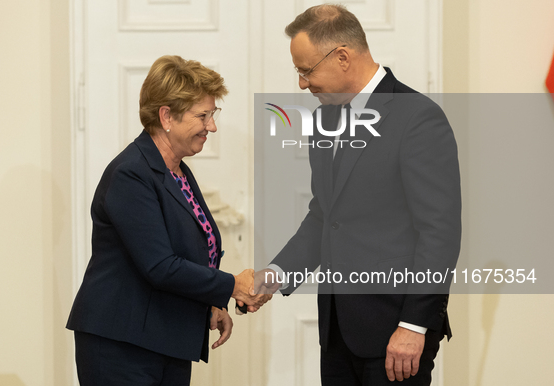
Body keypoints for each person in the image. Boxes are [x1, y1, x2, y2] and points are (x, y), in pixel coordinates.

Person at [254, 4, 461, 386]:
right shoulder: (325, 118)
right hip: (337, 332)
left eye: (306, 70)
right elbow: (325, 215)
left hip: (395, 333)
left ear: (343, 57)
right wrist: (275, 274)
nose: (302, 83)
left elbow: (440, 233)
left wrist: (413, 325)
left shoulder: (417, 117)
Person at [66, 55, 269, 386]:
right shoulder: (131, 173)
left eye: (213, 115)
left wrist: (211, 303)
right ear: (166, 116)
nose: (212, 126)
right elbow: (160, 265)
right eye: (202, 116)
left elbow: (188, 251)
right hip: (122, 345)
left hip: (162, 340)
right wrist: (232, 285)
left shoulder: (177, 171)